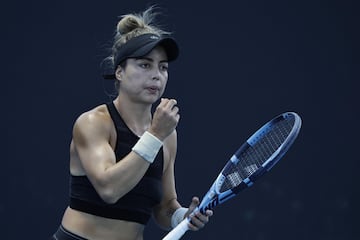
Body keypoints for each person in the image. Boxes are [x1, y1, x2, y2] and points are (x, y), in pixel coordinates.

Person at [51, 6, 213, 240]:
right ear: (119, 72)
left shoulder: (167, 134)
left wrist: (182, 217)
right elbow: (109, 190)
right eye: (145, 65)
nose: (156, 75)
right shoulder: (93, 123)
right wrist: (155, 135)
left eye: (163, 67)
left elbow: (164, 206)